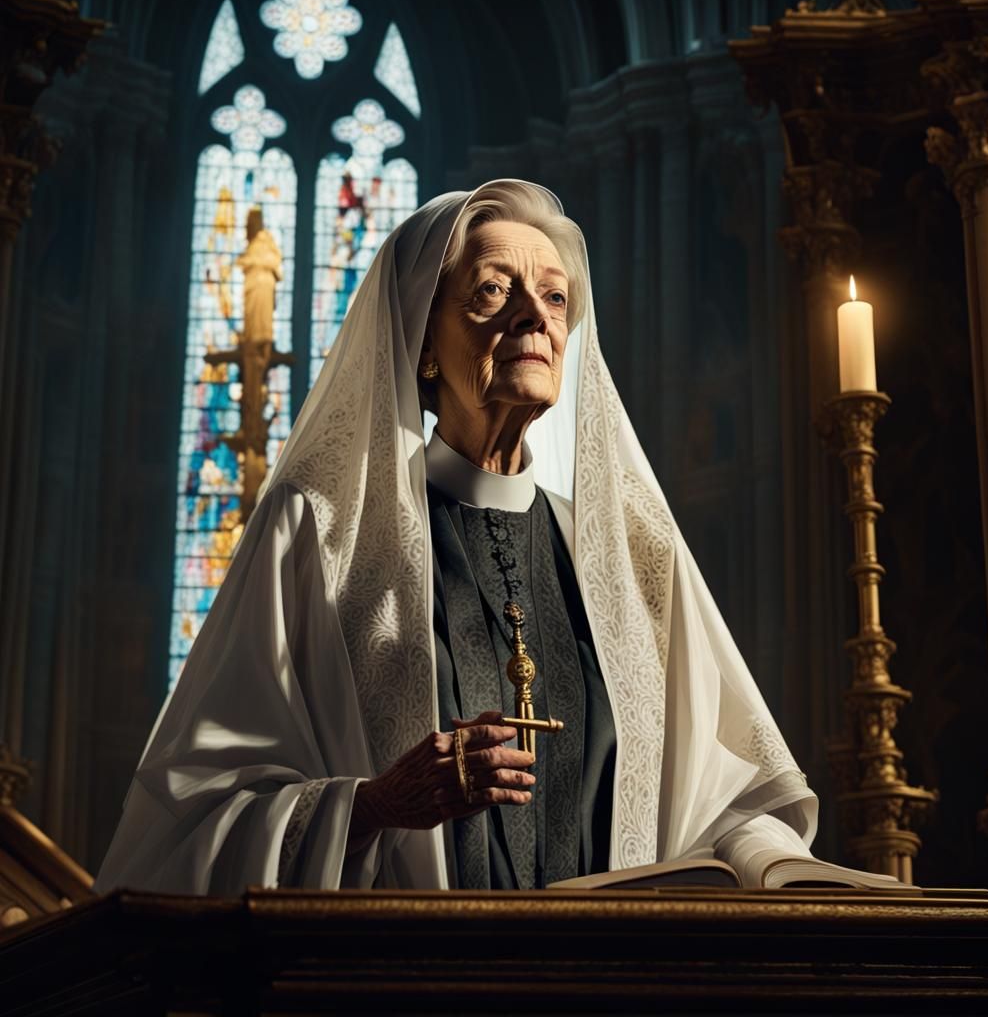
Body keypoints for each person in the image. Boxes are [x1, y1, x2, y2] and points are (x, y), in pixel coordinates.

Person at [95, 180, 817, 894]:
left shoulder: (632, 556)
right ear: (423, 342)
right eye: (493, 292)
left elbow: (722, 799)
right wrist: (375, 805)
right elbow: (196, 818)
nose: (536, 316)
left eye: (556, 298)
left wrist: (776, 865)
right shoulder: (318, 532)